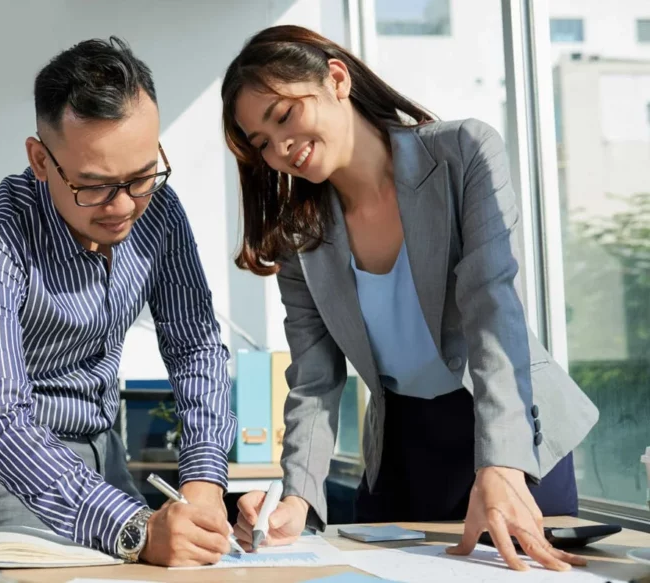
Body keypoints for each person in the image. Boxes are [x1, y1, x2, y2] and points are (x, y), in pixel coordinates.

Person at [220, 25, 599, 572]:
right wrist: (298, 494)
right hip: (403, 447)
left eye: (283, 117)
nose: (280, 148)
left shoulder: (462, 152)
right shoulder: (298, 237)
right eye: (260, 143)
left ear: (336, 78)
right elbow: (314, 377)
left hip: (507, 425)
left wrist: (502, 462)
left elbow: (494, 311)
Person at [0, 37, 236, 567]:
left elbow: (195, 348)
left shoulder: (159, 211)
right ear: (40, 159)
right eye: (93, 186)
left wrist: (205, 481)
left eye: (142, 176)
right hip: (8, 467)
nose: (124, 206)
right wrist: (136, 529)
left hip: (107, 449)